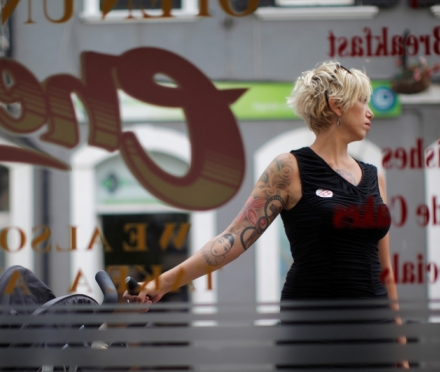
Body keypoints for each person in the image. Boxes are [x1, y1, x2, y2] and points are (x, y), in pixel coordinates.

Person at [125, 61, 398, 308]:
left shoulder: (374, 177)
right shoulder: (289, 169)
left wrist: (398, 341)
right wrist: (160, 283)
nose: (370, 112)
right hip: (313, 324)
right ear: (336, 105)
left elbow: (386, 269)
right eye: (363, 101)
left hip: (373, 325)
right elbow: (233, 238)